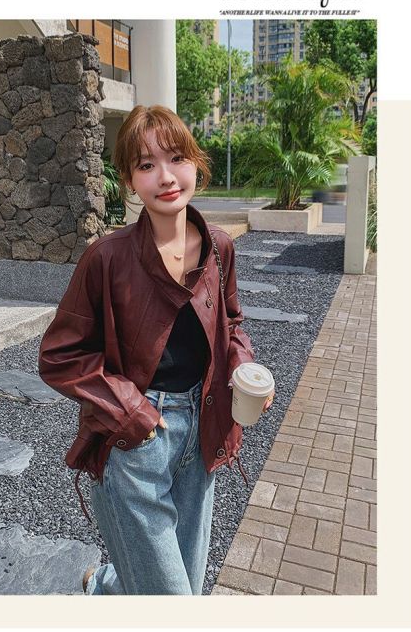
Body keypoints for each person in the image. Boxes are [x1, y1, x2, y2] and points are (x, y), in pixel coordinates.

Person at [38, 105, 274, 595]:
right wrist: (133, 414)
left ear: (196, 164)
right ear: (129, 180)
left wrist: (243, 367)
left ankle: (108, 586)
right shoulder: (106, 258)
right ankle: (112, 586)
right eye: (146, 165)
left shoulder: (220, 248)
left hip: (203, 431)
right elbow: (60, 355)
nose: (166, 177)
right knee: (173, 602)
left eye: (176, 158)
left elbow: (230, 324)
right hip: (135, 440)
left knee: (183, 583)